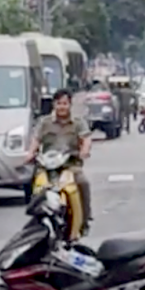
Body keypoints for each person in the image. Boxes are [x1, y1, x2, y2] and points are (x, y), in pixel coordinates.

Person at [33, 88, 94, 236]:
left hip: (70, 165)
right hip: (47, 165)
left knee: (82, 182)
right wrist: (30, 154)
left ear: (70, 105)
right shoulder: (44, 122)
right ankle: (35, 221)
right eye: (59, 103)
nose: (62, 107)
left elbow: (86, 138)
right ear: (54, 104)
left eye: (65, 103)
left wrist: (84, 150)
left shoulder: (78, 122)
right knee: (35, 183)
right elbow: (35, 140)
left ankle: (85, 219)